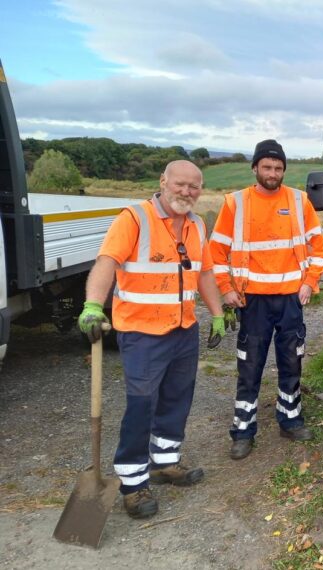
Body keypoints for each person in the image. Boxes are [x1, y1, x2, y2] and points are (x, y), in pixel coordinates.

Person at [77, 160, 226, 519]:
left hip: (183, 330)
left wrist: (218, 313)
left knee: (177, 398)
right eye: (180, 184)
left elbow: (204, 271)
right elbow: (106, 263)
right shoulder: (134, 218)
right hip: (142, 333)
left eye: (194, 186)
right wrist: (93, 305)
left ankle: (165, 463)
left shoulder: (196, 224)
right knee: (142, 405)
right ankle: (132, 483)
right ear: (164, 182)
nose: (187, 192)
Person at [210, 139, 323, 460]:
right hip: (252, 303)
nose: (273, 172)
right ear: (255, 168)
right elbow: (216, 251)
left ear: (283, 170)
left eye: (278, 168)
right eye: (267, 166)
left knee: (292, 362)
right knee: (250, 367)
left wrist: (310, 282)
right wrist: (225, 288)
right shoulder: (236, 203)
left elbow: (319, 246)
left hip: (291, 300)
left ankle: (290, 420)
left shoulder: (298, 201)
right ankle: (243, 430)